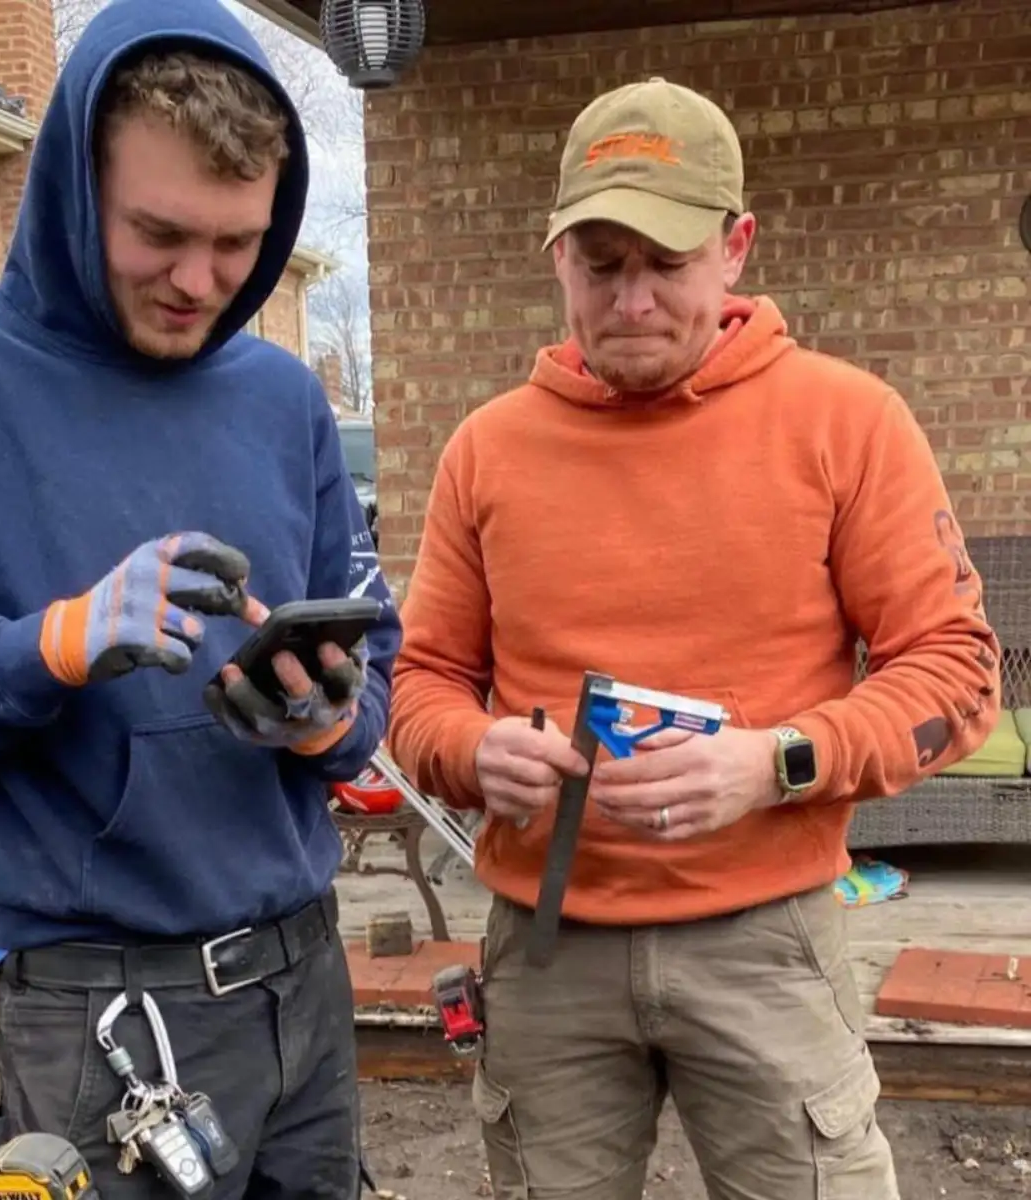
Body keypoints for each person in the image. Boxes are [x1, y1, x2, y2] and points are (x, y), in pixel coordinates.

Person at [386, 76, 1000, 1200]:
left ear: (736, 249)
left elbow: (957, 678)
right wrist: (472, 752)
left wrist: (776, 763)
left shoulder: (844, 423)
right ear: (556, 255)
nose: (630, 302)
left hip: (766, 942)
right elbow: (421, 683)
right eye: (602, 263)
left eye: (665, 265)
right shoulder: (487, 450)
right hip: (547, 942)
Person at [0, 0, 400, 1195]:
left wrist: (331, 719)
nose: (200, 282)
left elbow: (374, 663)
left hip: (303, 984)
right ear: (70, 186)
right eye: (160, 232)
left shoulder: (285, 400)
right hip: (99, 1018)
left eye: (238, 244)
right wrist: (56, 643)